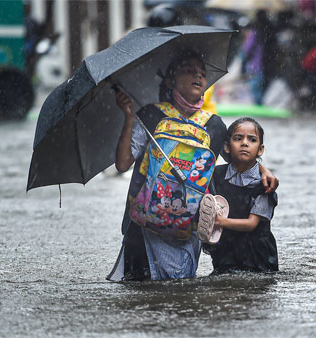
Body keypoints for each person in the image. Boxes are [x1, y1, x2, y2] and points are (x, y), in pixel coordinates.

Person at [107, 50, 279, 281]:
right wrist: (129, 118)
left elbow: (240, 159)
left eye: (202, 73)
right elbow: (122, 163)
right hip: (143, 228)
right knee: (143, 293)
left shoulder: (214, 125)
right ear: (170, 80)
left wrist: (264, 170)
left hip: (188, 229)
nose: (198, 76)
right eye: (189, 70)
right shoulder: (150, 116)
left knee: (180, 291)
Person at [202, 117, 279, 274]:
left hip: (257, 257)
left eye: (252, 140)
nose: (245, 143)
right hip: (226, 253)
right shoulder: (216, 175)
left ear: (260, 150)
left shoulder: (263, 185)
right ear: (227, 147)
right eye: (238, 138)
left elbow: (252, 224)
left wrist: (219, 221)